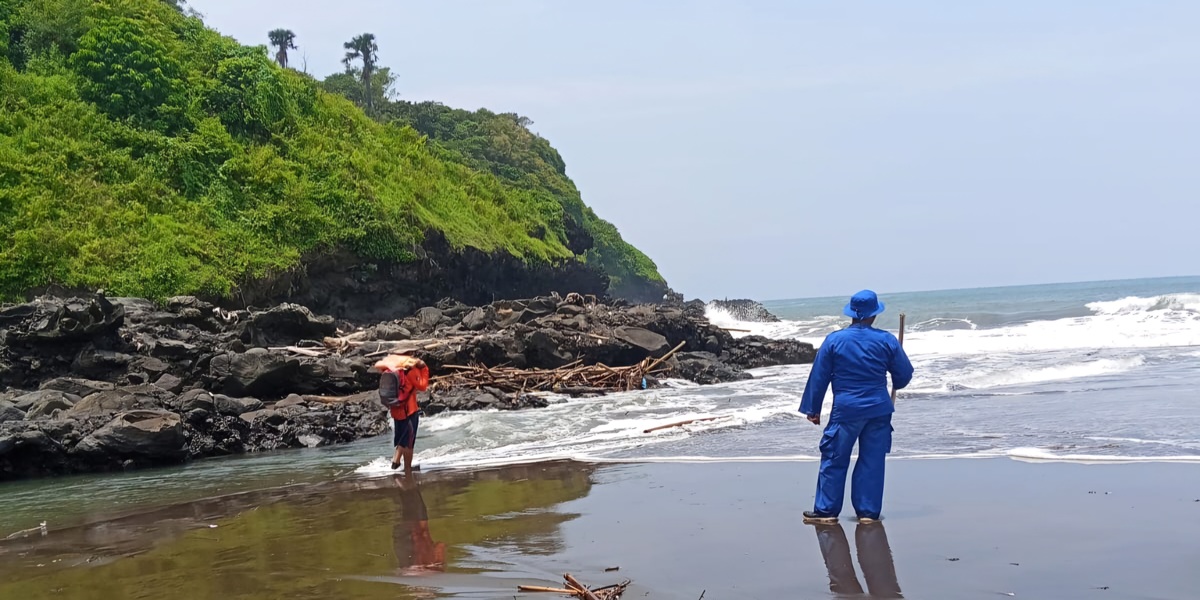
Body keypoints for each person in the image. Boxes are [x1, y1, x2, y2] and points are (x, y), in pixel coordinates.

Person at [799, 289, 913, 524]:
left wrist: (813, 408)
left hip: (846, 410)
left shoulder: (834, 340)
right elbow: (903, 376)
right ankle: (868, 513)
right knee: (872, 461)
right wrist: (895, 380)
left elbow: (819, 376)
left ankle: (827, 511)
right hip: (879, 410)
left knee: (834, 458)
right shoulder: (886, 340)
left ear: (851, 314)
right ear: (874, 315)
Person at [376, 354, 430, 475]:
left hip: (396, 411)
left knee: (402, 438)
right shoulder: (411, 371)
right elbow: (422, 386)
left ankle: (395, 462)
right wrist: (424, 369)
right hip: (409, 411)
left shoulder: (390, 369)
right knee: (409, 444)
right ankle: (407, 469)